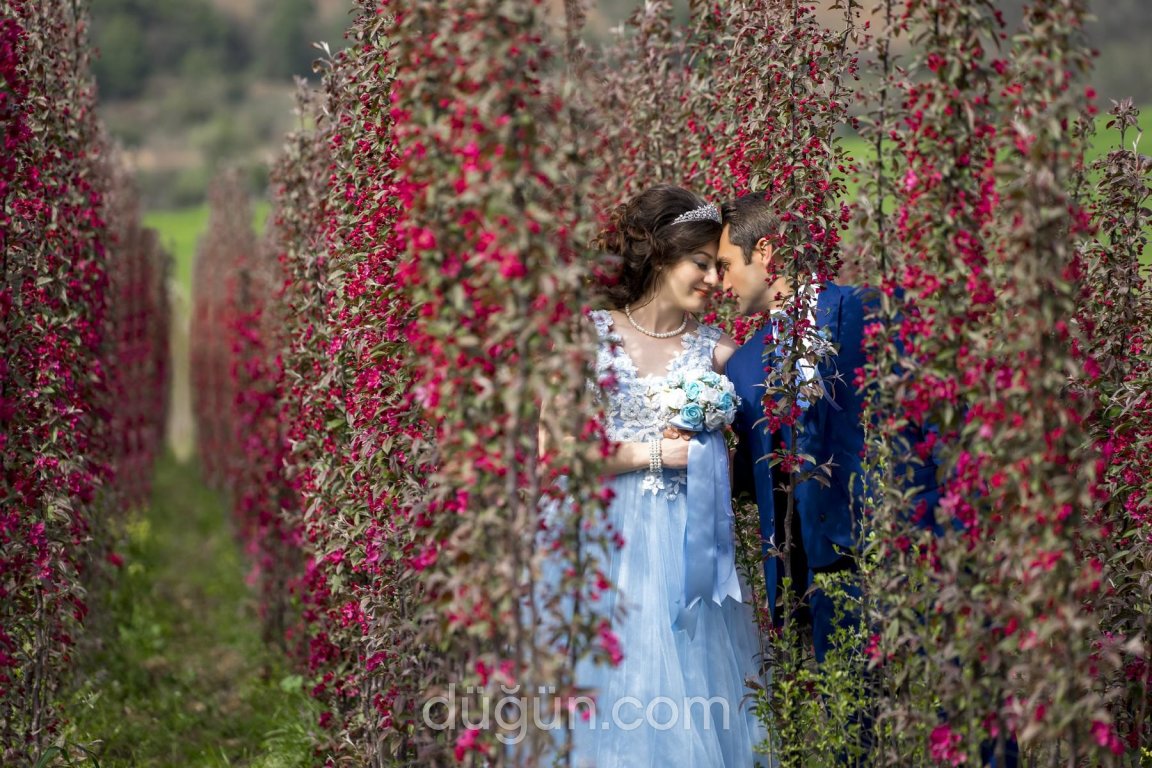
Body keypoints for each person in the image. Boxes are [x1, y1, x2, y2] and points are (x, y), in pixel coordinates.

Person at [552, 185, 770, 767]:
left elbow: (771, 413)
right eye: (701, 264)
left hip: (690, 547)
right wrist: (655, 454)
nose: (713, 281)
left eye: (717, 266)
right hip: (600, 540)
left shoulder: (719, 350)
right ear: (659, 257)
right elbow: (557, 449)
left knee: (694, 690)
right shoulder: (589, 336)